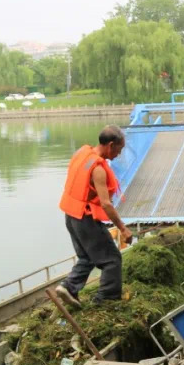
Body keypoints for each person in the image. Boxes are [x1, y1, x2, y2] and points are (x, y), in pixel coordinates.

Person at [55, 125, 133, 308]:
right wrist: (123, 228)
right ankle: (107, 301)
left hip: (70, 214)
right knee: (112, 260)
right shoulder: (98, 169)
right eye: (119, 149)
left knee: (87, 257)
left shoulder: (82, 153)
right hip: (85, 218)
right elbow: (106, 204)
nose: (119, 154)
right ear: (111, 145)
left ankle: (68, 287)